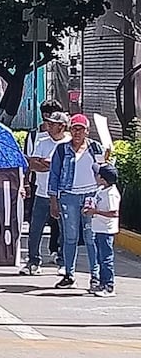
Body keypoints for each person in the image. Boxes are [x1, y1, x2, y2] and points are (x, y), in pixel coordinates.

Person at [48, 113, 106, 290]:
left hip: (90, 195)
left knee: (91, 237)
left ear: (87, 131)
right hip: (69, 196)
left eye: (81, 129)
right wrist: (53, 200)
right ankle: (69, 274)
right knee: (70, 237)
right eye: (74, 128)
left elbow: (104, 171)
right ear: (70, 130)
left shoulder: (96, 148)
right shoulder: (62, 149)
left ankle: (95, 276)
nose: (77, 132)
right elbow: (54, 175)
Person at [22, 108, 68, 274]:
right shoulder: (42, 142)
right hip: (42, 192)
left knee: (65, 229)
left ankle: (63, 261)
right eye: (48, 123)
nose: (48, 126)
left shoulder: (68, 143)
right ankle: (33, 261)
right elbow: (33, 165)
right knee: (35, 228)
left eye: (52, 124)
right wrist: (48, 165)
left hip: (64, 194)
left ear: (62, 127)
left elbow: (66, 169)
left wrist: (48, 164)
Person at [85, 164, 119, 297]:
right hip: (98, 228)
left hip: (106, 229)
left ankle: (109, 285)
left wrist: (96, 211)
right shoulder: (101, 190)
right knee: (100, 258)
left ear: (103, 178)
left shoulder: (111, 194)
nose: (95, 176)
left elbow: (114, 213)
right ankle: (102, 283)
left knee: (106, 258)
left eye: (97, 175)